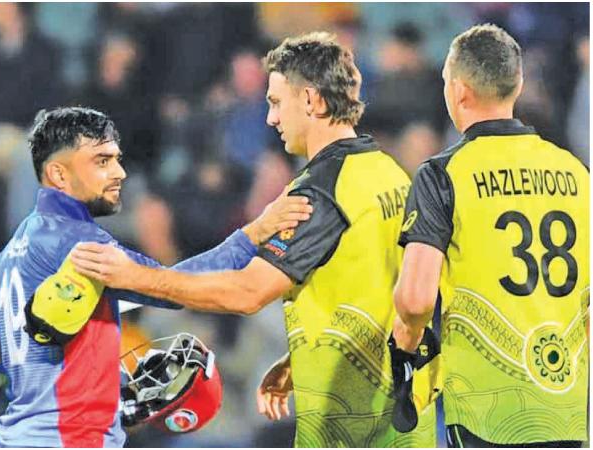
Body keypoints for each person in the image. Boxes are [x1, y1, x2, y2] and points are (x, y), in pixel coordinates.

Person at [70, 32, 438, 447]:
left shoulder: (320, 190)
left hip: (349, 424)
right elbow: (381, 294)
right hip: (405, 418)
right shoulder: (387, 172)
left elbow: (247, 293)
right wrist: (300, 359)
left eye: (277, 102)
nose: (271, 118)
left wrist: (135, 277)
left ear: (312, 101)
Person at [0, 106, 312, 447]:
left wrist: (100, 380)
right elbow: (172, 287)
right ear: (59, 175)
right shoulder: (80, 241)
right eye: (102, 161)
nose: (119, 172)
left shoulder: (15, 247)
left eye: (116, 159)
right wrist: (254, 233)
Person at [389, 24, 589, 447]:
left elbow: (415, 299)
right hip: (566, 405)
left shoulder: (442, 175)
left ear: (458, 91)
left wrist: (403, 361)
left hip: (486, 409)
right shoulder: (575, 172)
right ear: (517, 84)